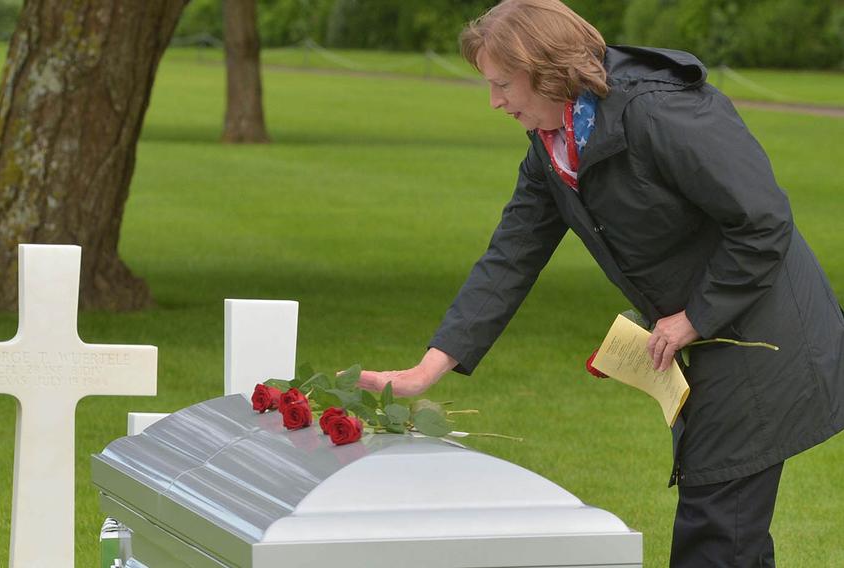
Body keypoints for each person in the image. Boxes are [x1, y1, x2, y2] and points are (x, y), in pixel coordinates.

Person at [357, 0, 844, 566]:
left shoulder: (660, 112)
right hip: (710, 338)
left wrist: (694, 316)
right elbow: (511, 255)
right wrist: (428, 368)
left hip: (768, 336)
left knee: (717, 532)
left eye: (502, 84)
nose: (494, 101)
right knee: (718, 525)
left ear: (547, 70)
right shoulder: (553, 141)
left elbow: (763, 221)